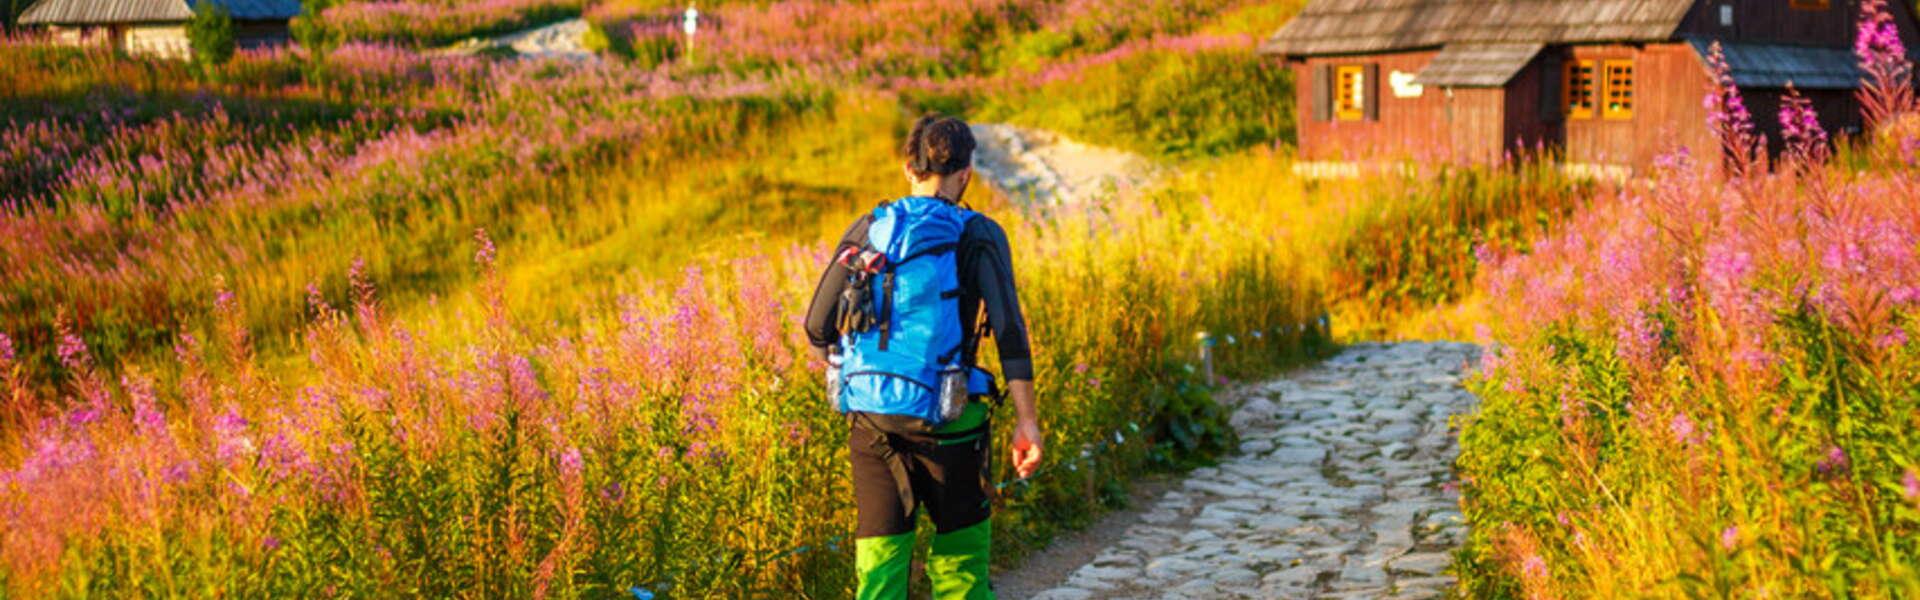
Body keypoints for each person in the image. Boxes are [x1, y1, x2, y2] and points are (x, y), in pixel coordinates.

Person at [804, 114, 1043, 600]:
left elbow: (817, 325)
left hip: (873, 421)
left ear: (907, 168)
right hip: (951, 420)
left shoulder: (871, 227)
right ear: (966, 174)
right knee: (960, 565)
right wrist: (1027, 423)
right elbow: (1009, 332)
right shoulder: (978, 232)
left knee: (880, 570)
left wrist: (865, 372)